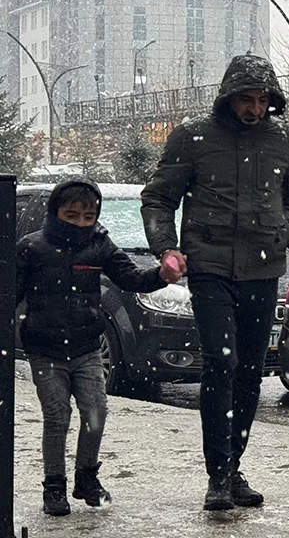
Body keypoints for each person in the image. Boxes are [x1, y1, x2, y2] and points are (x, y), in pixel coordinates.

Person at [141, 53, 289, 511]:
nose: (254, 109)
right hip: (210, 265)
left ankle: (234, 465)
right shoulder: (193, 138)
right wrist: (167, 249)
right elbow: (159, 198)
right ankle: (217, 473)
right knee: (222, 363)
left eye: (262, 100)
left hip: (263, 267)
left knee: (250, 372)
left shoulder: (284, 140)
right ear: (227, 98)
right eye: (245, 99)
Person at [18, 178, 177, 516]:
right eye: (71, 215)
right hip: (45, 348)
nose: (79, 223)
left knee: (96, 412)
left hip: (87, 347)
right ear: (55, 213)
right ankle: (54, 486)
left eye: (88, 217)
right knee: (57, 416)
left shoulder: (100, 246)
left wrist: (161, 275)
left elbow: (130, 278)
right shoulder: (32, 248)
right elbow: (9, 294)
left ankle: (86, 477)